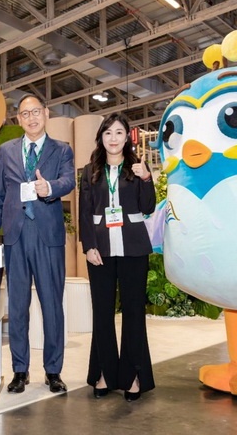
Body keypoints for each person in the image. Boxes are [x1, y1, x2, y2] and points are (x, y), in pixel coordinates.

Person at [0, 94, 75, 394]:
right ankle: (20, 371)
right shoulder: (6, 150)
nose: (31, 117)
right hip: (15, 237)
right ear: (18, 119)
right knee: (18, 306)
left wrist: (50, 187)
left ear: (46, 114)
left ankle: (53, 371)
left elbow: (69, 180)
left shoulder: (62, 149)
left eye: (36, 112)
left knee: (52, 305)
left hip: (48, 237)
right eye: (25, 113)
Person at [78, 114, 156, 401]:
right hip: (100, 250)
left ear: (127, 137)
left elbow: (148, 207)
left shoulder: (138, 167)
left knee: (134, 313)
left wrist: (146, 178)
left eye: (119, 132)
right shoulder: (90, 171)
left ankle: (133, 375)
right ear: (101, 137)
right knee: (102, 313)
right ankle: (103, 373)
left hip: (134, 249)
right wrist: (89, 246)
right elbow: (85, 212)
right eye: (108, 132)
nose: (113, 138)